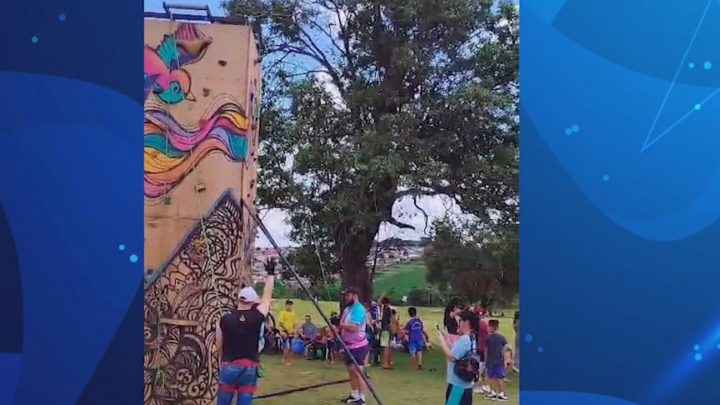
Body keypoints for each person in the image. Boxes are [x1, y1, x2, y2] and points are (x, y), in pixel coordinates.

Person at [214, 258, 276, 405]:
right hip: (249, 368)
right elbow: (267, 297)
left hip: (230, 366)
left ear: (238, 300)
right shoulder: (257, 317)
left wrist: (225, 361)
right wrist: (271, 275)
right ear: (253, 302)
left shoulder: (224, 319)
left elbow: (218, 345)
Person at [437, 310, 480, 405]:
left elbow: (452, 357)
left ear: (467, 322)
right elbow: (458, 352)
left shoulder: (465, 339)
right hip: (465, 385)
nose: (458, 323)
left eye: (460, 320)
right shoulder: (471, 338)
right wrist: (447, 339)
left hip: (457, 385)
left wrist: (442, 342)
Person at [337, 287, 371, 405]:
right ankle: (354, 394)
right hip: (348, 346)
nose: (345, 298)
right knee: (351, 371)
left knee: (358, 372)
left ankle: (362, 398)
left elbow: (353, 327)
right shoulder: (347, 309)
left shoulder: (358, 309)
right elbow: (342, 326)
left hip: (358, 346)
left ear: (354, 295)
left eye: (347, 295)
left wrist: (340, 324)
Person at [484, 319, 509, 401]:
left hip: (491, 360)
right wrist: (505, 359)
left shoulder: (488, 338)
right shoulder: (502, 337)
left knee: (491, 377)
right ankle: (502, 393)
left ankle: (493, 392)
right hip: (500, 360)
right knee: (500, 377)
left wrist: (485, 359)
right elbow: (505, 349)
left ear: (491, 327)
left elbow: (486, 350)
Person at [473, 307, 491, 394]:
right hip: (482, 347)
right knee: (481, 366)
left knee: (478, 366)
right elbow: (488, 333)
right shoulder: (483, 323)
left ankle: (481, 384)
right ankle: (478, 385)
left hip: (475, 346)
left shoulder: (473, 323)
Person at [277, 299, 296, 366]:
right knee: (286, 347)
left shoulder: (293, 313)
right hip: (285, 332)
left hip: (291, 332)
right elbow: (281, 323)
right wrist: (287, 330)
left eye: (290, 305)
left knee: (291, 347)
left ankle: (289, 360)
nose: (289, 306)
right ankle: (286, 360)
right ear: (285, 305)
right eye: (288, 305)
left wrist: (294, 330)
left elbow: (294, 323)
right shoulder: (283, 313)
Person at [378, 295, 393, 368]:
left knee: (385, 347)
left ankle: (386, 364)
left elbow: (378, 303)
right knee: (388, 346)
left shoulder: (386, 309)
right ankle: (388, 362)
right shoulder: (389, 310)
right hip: (388, 329)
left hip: (385, 330)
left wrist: (382, 296)